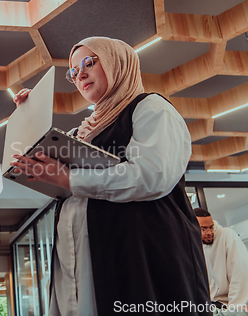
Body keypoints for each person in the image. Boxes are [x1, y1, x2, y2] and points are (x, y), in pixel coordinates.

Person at [12, 37, 210, 315]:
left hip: (143, 260)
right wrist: (29, 114)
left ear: (118, 63)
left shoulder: (150, 108)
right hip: (89, 261)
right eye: (73, 71)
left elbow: (151, 175)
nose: (79, 73)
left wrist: (70, 180)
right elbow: (43, 161)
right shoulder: (81, 132)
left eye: (88, 63)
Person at [194, 208, 248, 311]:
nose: (209, 232)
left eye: (211, 227)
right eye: (203, 229)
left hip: (228, 305)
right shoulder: (195, 246)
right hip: (210, 306)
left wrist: (235, 310)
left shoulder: (226, 235)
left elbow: (240, 274)